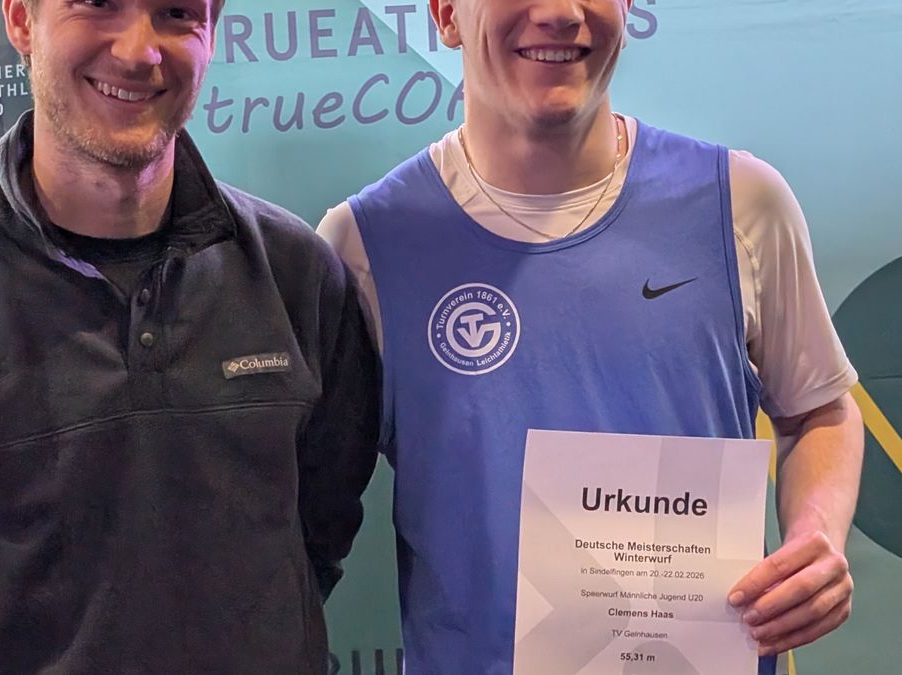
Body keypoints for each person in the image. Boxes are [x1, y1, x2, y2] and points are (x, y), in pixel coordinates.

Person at [0, 0, 380, 672]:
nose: (138, 50)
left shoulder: (299, 277)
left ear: (211, 34)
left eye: (177, 13)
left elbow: (322, 529)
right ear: (20, 19)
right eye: (98, 4)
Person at [317, 1, 863, 672]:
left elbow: (819, 409)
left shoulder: (743, 203)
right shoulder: (361, 248)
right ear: (447, 14)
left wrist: (816, 535)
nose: (559, 12)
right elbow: (307, 512)